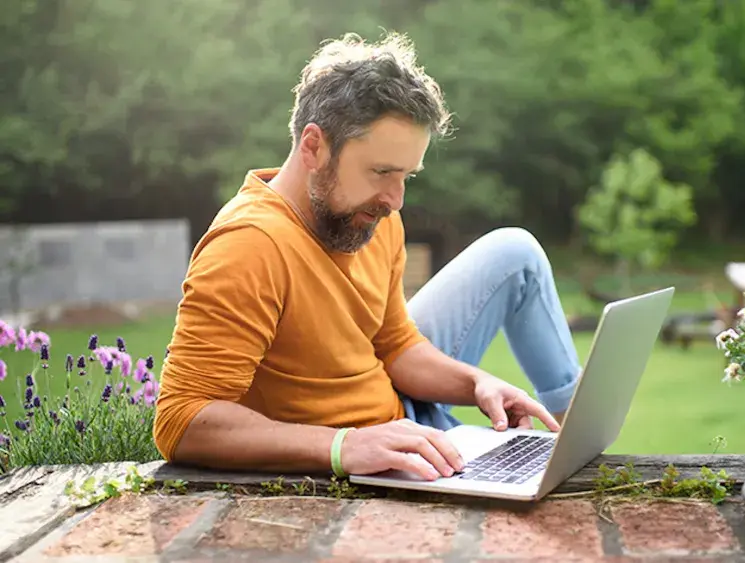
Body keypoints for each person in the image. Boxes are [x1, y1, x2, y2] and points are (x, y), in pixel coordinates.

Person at [152, 32, 582, 482]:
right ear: (314, 147)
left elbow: (394, 345)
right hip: (369, 452)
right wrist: (344, 446)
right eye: (381, 172)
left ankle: (567, 445)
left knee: (515, 252)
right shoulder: (249, 246)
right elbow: (180, 421)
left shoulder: (369, 217)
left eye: (406, 177)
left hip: (406, 424)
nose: (395, 200)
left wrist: (475, 384)